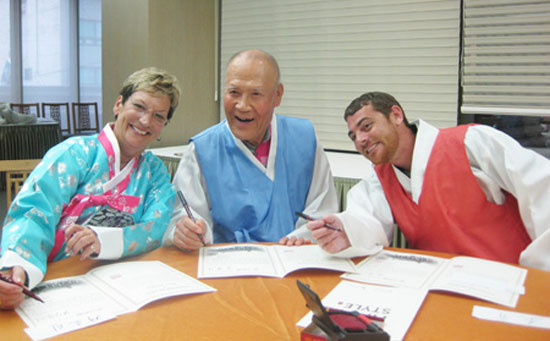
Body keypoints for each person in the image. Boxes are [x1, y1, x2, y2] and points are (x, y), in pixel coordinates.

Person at [0, 67, 180, 309]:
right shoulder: (74, 153)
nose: (146, 121)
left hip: (117, 281)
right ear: (119, 105)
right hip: (52, 279)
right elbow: (33, 212)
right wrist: (16, 267)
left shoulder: (155, 173)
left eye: (159, 116)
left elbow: (154, 228)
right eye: (139, 106)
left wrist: (103, 239)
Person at [309, 91, 550, 270]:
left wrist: (539, 272)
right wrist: (345, 231)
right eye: (353, 136)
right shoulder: (380, 179)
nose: (360, 140)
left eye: (367, 126)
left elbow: (542, 188)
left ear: (396, 115)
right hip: (438, 288)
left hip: (508, 281)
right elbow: (365, 220)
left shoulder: (471, 142)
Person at [164, 49, 337, 250]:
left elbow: (322, 209)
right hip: (228, 265)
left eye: (256, 94)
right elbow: (186, 213)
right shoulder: (202, 149)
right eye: (234, 92)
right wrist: (188, 230)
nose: (242, 105)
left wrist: (302, 238)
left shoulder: (305, 139)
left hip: (292, 261)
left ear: (277, 95)